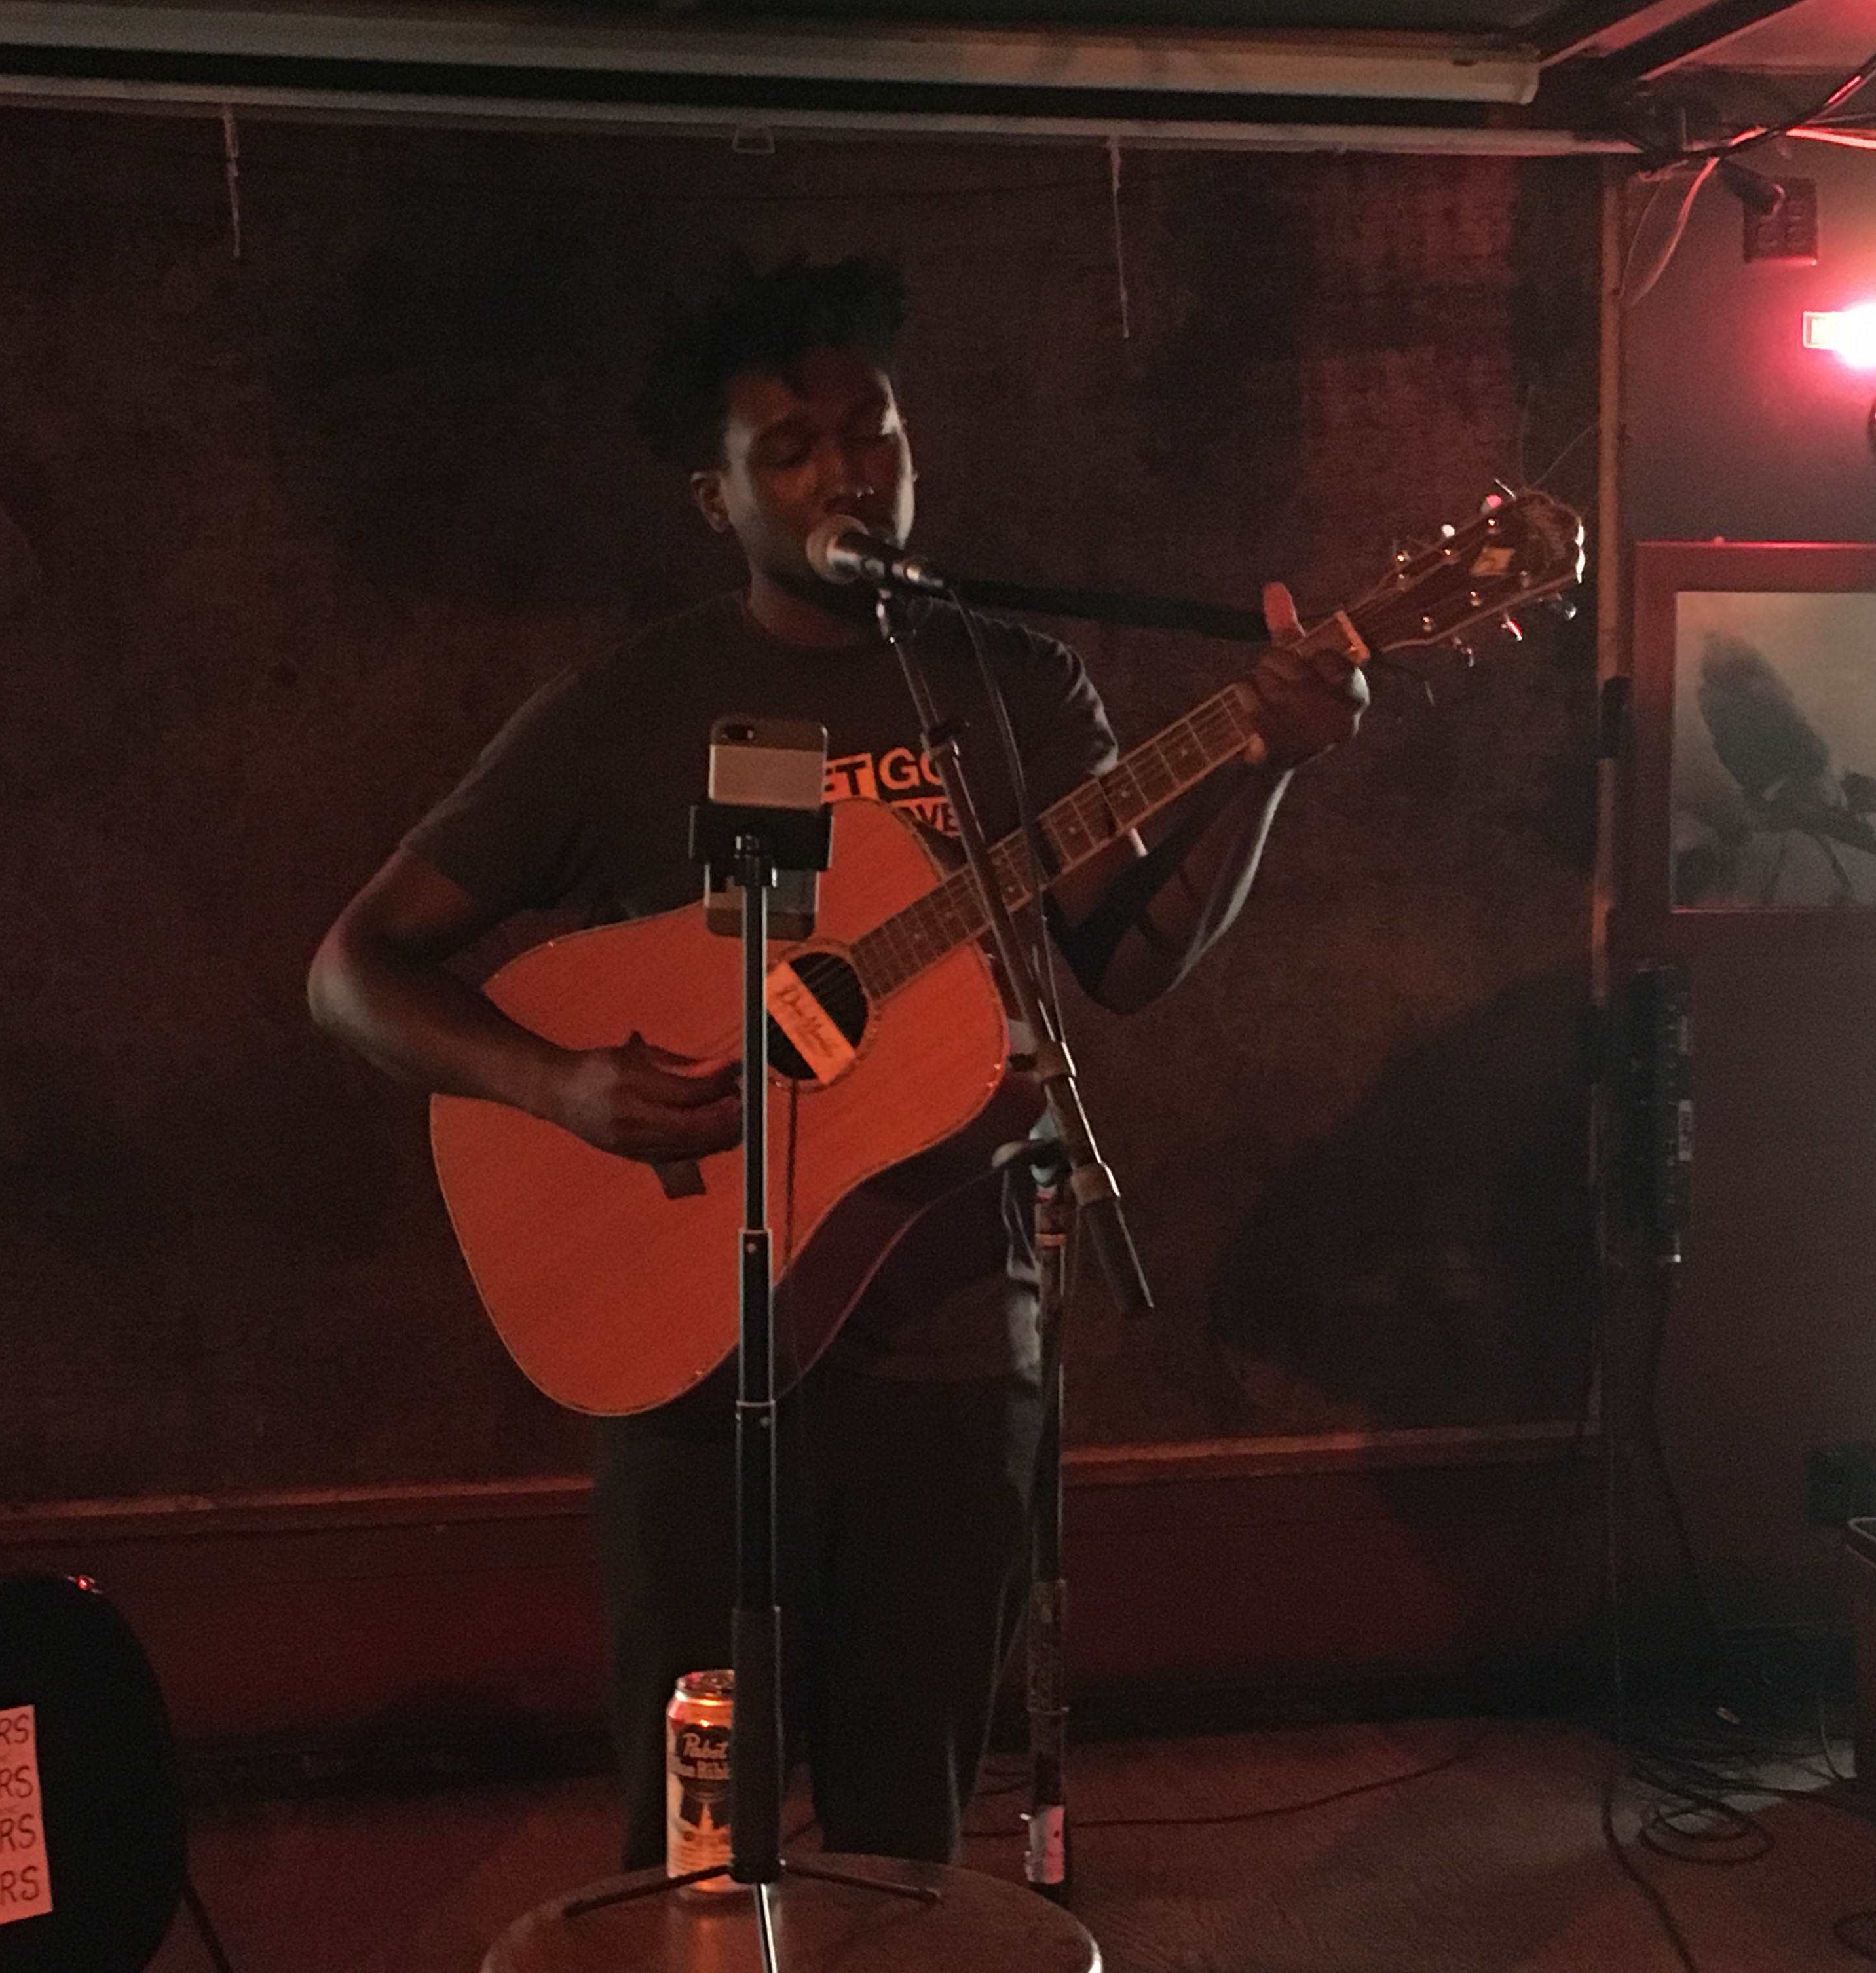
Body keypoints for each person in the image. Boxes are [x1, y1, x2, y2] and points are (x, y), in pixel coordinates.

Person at [308, 256, 1364, 1870]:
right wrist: (565, 1089)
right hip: (691, 1339)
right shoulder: (627, 707)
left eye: (869, 430)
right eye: (789, 447)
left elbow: (1131, 963)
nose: (845, 470)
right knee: (699, 1818)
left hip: (953, 1331)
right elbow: (352, 971)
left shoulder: (1010, 685)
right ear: (709, 495)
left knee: (905, 1817)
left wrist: (1261, 771)